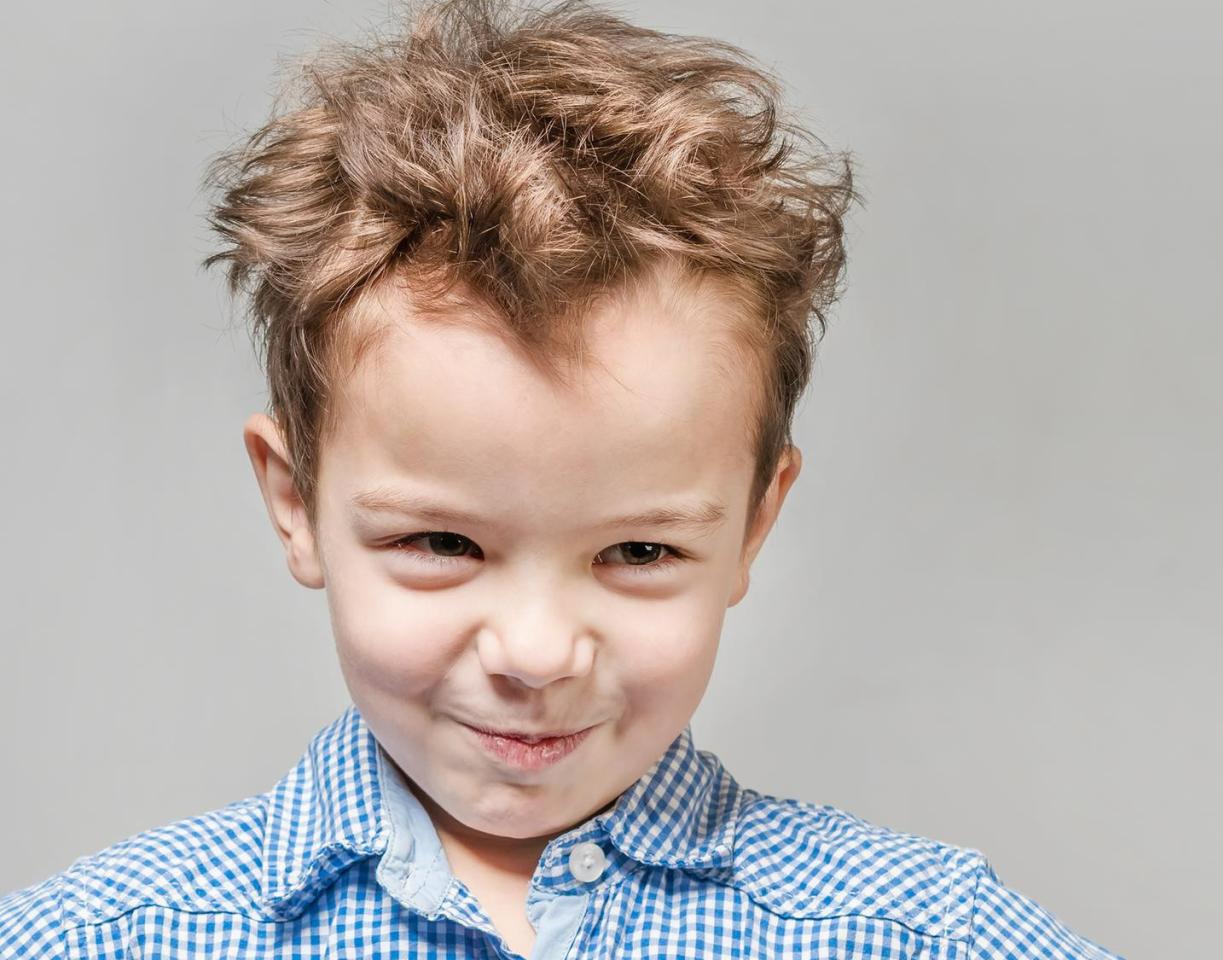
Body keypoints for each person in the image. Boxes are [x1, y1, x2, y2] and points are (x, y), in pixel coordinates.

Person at [0, 1, 1124, 956]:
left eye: (637, 551)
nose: (536, 654)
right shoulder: (111, 935)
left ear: (754, 523)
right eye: (441, 545)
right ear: (293, 501)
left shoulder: (923, 933)